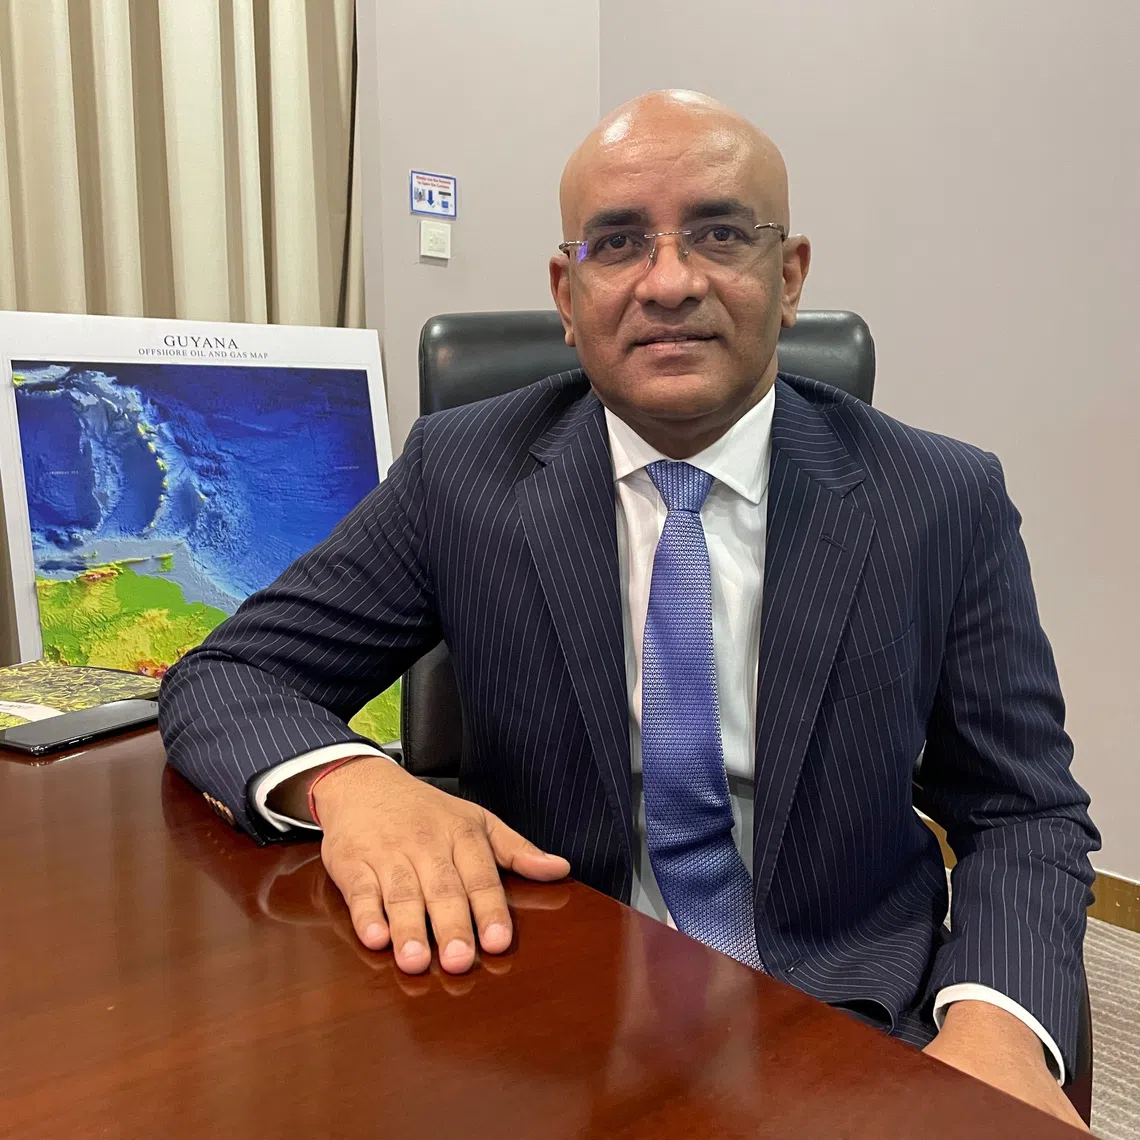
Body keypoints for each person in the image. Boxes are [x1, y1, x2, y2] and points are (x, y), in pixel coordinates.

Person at [159, 91, 1098, 1127]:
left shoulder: (940, 498)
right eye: (617, 243)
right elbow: (231, 675)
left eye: (720, 233)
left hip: (846, 1005)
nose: (669, 281)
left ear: (789, 277)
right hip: (542, 985)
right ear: (568, 295)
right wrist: (357, 784)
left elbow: (1023, 809)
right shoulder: (460, 472)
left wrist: (997, 1026)